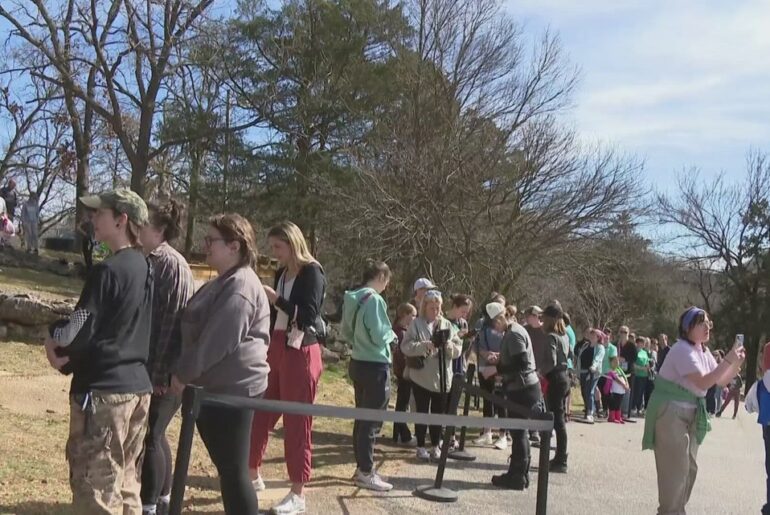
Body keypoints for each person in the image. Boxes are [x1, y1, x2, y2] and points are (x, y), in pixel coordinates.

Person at [42, 189, 153, 514]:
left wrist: (53, 341)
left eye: (99, 213)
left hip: (105, 394)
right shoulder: (145, 267)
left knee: (96, 489)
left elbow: (78, 328)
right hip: (137, 389)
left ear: (121, 220)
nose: (92, 218)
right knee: (127, 482)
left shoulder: (108, 271)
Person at [172, 213, 270, 515]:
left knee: (233, 471)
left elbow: (217, 341)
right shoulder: (225, 280)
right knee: (229, 470)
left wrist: (182, 375)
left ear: (234, 246)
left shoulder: (240, 287)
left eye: (211, 240)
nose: (206, 245)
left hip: (233, 391)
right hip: (216, 388)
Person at [249, 222, 326, 515]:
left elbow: (308, 314)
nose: (275, 253)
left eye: (278, 247)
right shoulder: (282, 273)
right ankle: (251, 471)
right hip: (277, 346)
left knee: (297, 422)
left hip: (302, 351)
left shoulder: (312, 272)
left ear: (292, 244)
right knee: (262, 410)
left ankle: (298, 491)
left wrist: (276, 298)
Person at [642, 307, 745, 515]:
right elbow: (704, 382)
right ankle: (670, 511)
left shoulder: (702, 350)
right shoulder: (681, 350)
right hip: (671, 413)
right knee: (675, 473)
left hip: (689, 414)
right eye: (702, 323)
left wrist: (735, 363)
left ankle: (677, 511)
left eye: (709, 323)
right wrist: (728, 360)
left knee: (689, 470)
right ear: (688, 327)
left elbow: (721, 381)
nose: (708, 326)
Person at [139, 201, 195, 515]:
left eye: (143, 224)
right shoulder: (173, 261)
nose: (137, 229)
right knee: (158, 436)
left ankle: (150, 505)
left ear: (159, 230)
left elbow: (166, 323)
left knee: (151, 437)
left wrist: (158, 374)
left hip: (163, 367)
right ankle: (163, 500)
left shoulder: (160, 262)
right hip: (170, 366)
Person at [341, 260, 398, 492]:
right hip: (375, 365)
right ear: (382, 277)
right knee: (372, 421)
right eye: (387, 282)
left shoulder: (352, 297)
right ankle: (366, 471)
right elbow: (379, 333)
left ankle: (361, 467)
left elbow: (346, 330)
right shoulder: (374, 299)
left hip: (358, 361)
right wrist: (392, 336)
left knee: (361, 418)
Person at [401, 290, 462, 461]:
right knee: (421, 412)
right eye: (431, 308)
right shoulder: (416, 324)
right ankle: (420, 446)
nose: (435, 311)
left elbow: (458, 349)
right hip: (421, 377)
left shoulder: (447, 325)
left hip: (441, 378)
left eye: (437, 308)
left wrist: (448, 345)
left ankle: (436, 445)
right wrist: (424, 346)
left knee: (438, 413)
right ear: (424, 308)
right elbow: (405, 346)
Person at [490, 302, 542, 490]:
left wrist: (498, 368)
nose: (494, 329)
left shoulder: (514, 334)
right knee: (520, 433)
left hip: (522, 388)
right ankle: (520, 474)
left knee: (519, 432)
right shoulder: (513, 331)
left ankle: (517, 476)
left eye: (494, 324)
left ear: (501, 318)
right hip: (524, 387)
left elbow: (521, 362)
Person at [540, 302, 571, 473]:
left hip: (555, 378)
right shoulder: (564, 337)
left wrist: (539, 372)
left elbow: (551, 361)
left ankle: (561, 459)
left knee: (557, 420)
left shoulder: (552, 336)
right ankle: (560, 456)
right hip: (564, 376)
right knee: (559, 419)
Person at [473, 302, 509, 450]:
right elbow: (477, 343)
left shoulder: (507, 327)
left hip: (501, 369)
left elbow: (509, 346)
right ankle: (487, 432)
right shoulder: (482, 324)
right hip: (484, 366)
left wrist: (498, 357)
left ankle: (503, 435)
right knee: (487, 399)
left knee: (501, 401)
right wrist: (485, 354)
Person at [391, 303, 417, 445]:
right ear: (404, 315)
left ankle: (398, 434)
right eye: (412, 315)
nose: (414, 318)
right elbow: (401, 355)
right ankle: (404, 435)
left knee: (402, 403)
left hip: (404, 372)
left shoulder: (403, 331)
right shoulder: (400, 333)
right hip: (404, 373)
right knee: (402, 403)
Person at [523, 305, 546, 443]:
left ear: (535, 316)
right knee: (526, 401)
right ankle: (527, 428)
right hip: (527, 370)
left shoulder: (545, 331)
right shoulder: (525, 330)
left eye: (529, 315)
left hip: (541, 372)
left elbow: (549, 353)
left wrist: (541, 371)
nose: (527, 318)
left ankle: (536, 430)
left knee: (538, 402)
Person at [578, 328, 604, 423]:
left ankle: (590, 413)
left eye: (594, 335)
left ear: (598, 337)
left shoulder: (600, 348)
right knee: (584, 392)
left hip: (593, 372)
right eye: (591, 334)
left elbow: (598, 358)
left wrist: (593, 366)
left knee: (590, 391)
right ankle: (587, 410)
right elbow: (579, 358)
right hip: (583, 372)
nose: (592, 336)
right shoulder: (585, 345)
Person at [446, 294, 473, 377]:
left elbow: (465, 349)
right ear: (454, 307)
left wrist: (468, 339)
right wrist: (456, 336)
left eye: (466, 313)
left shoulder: (463, 323)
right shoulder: (442, 320)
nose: (464, 315)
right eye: (462, 312)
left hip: (459, 363)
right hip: (447, 363)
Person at [597, 330, 619, 419]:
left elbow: (613, 360)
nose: (606, 338)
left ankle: (608, 410)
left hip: (608, 374)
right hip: (600, 373)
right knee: (601, 392)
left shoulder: (613, 348)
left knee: (607, 393)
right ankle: (604, 409)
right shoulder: (599, 347)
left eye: (607, 337)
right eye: (604, 336)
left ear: (610, 337)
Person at [605, 356, 629, 424]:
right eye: (614, 361)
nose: (616, 363)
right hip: (614, 391)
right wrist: (623, 385)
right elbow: (616, 379)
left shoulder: (620, 369)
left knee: (619, 404)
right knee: (613, 404)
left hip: (621, 391)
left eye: (617, 361)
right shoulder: (611, 371)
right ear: (611, 363)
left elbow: (625, 377)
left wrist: (627, 384)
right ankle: (611, 417)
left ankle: (618, 417)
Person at [631, 336, 651, 416]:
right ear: (637, 343)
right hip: (636, 375)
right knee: (636, 392)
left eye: (643, 343)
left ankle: (639, 408)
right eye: (640, 342)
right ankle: (633, 407)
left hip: (644, 376)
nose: (642, 344)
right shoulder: (634, 351)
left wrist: (647, 366)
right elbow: (633, 364)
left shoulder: (645, 352)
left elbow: (646, 362)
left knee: (641, 393)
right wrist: (641, 368)